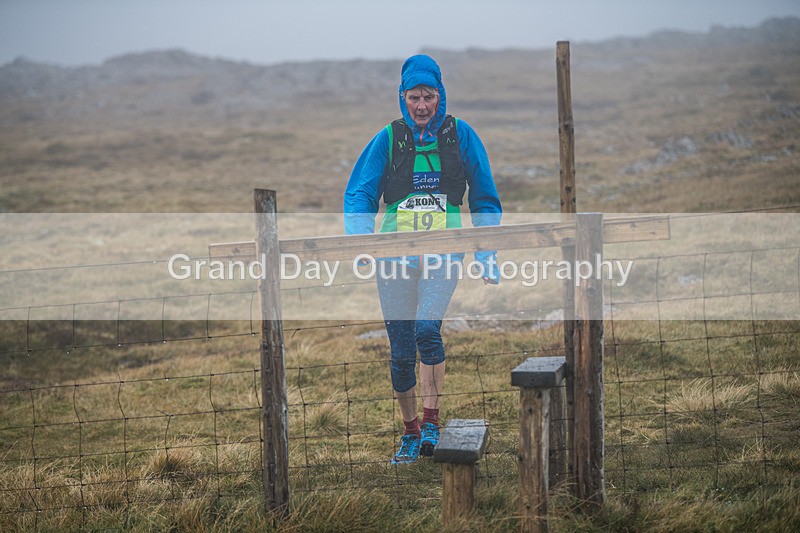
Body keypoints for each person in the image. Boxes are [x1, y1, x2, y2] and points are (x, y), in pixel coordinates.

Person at [344, 54, 502, 464]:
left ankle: (432, 422)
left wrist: (486, 249)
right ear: (402, 97)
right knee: (399, 350)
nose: (421, 105)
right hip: (393, 257)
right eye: (414, 97)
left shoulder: (460, 135)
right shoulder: (390, 138)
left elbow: (484, 197)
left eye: (429, 96)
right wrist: (362, 243)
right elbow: (360, 193)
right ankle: (410, 433)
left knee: (427, 330)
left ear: (440, 95)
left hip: (443, 252)